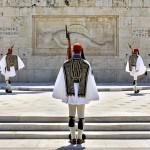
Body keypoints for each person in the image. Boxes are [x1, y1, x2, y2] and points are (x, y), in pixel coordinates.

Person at [52, 43, 99, 145]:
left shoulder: (66, 64)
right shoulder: (86, 64)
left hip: (71, 92)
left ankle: (73, 138)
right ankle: (80, 137)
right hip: (82, 93)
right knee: (81, 117)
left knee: (71, 117)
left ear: (73, 51)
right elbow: (90, 80)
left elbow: (61, 80)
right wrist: (90, 93)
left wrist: (62, 93)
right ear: (81, 51)